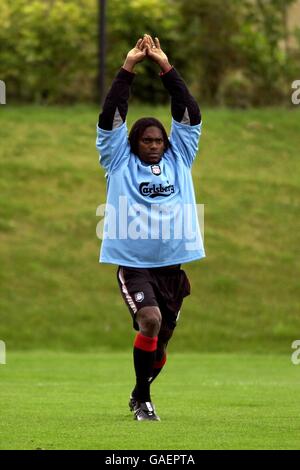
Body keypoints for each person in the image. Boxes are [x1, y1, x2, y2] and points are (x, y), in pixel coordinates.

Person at [96, 34, 205, 421]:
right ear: (134, 142)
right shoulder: (117, 160)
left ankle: (138, 392)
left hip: (171, 268)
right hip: (134, 263)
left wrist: (165, 67)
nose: (155, 145)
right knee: (150, 321)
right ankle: (144, 400)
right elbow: (110, 115)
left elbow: (189, 113)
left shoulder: (181, 158)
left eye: (159, 139)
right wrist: (128, 68)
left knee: (157, 346)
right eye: (147, 139)